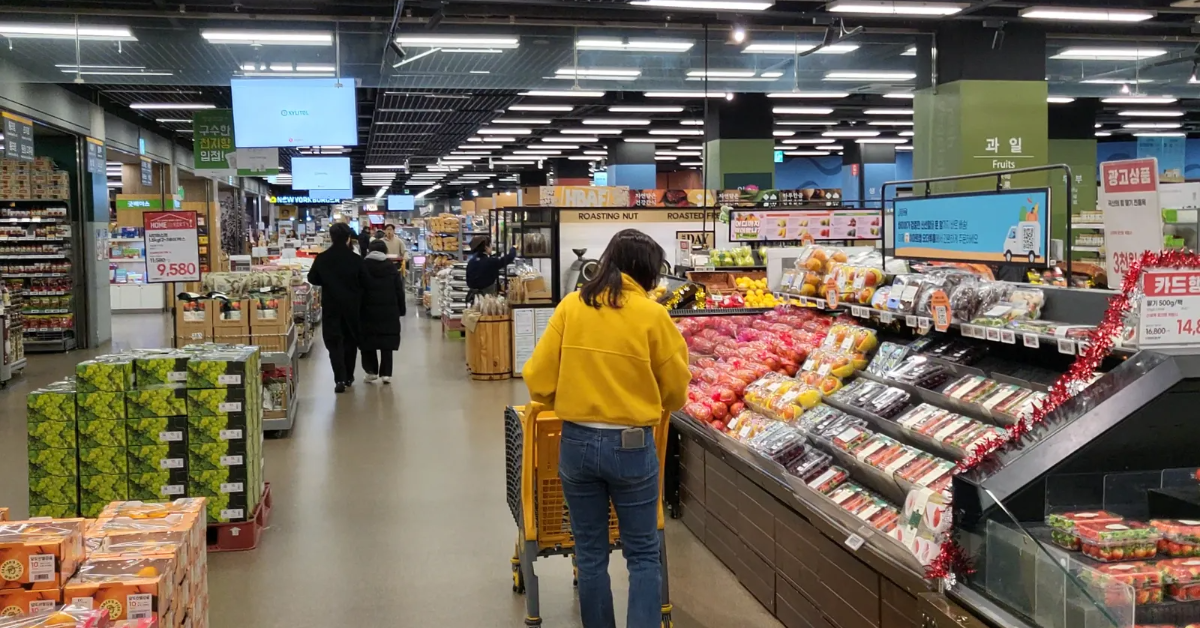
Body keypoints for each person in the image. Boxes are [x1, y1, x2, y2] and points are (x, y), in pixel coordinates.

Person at [523, 229, 690, 628]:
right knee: (643, 552)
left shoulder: (572, 306)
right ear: (646, 272)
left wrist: (565, 400)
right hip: (632, 446)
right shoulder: (653, 315)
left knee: (590, 552)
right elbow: (676, 391)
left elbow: (538, 377)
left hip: (576, 442)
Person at [307, 222, 363, 393]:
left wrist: (328, 281)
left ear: (331, 237)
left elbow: (312, 278)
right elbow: (364, 282)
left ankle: (339, 378)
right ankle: (349, 376)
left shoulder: (322, 258)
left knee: (333, 342)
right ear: (348, 238)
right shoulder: (355, 260)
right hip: (352, 306)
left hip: (331, 306)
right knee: (350, 341)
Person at [359, 240, 406, 385]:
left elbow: (356, 290)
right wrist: (401, 309)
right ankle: (386, 373)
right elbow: (399, 290)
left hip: (366, 310)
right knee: (387, 341)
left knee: (367, 340)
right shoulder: (390, 267)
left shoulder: (362, 266)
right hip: (388, 309)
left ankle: (371, 371)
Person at [464, 235, 517, 300]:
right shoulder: (490, 261)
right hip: (487, 298)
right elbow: (509, 258)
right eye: (491, 245)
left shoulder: (471, 261)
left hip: (473, 297)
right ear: (486, 247)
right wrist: (513, 248)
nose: (492, 248)